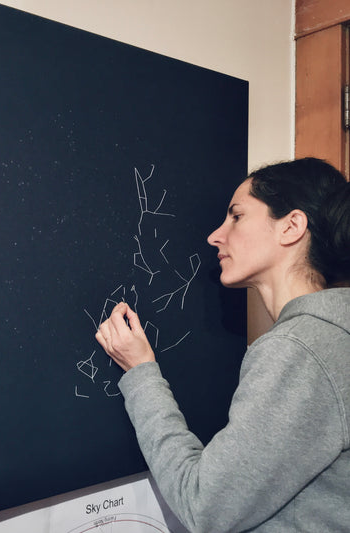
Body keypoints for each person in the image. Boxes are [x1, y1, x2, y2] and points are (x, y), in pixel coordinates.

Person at [95, 158, 350, 532]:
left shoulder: (301, 351)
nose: (216, 235)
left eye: (236, 216)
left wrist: (140, 373)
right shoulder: (332, 339)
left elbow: (206, 507)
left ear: (292, 226)